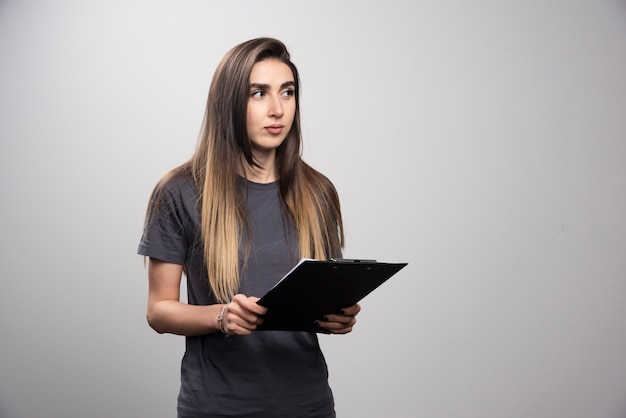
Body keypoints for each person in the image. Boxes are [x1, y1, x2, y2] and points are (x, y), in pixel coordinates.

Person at [138, 37, 361, 418]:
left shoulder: (318, 192)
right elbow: (159, 310)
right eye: (259, 93)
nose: (277, 109)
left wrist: (339, 316)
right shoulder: (179, 192)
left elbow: (321, 292)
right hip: (217, 406)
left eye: (287, 93)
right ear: (229, 103)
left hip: (308, 405)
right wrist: (221, 316)